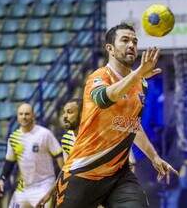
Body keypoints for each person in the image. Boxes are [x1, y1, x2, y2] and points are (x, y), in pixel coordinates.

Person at [55, 23, 178, 208]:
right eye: (125, 40)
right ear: (110, 48)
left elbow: (132, 124)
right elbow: (105, 99)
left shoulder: (141, 84)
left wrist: (154, 157)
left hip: (119, 175)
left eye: (135, 41)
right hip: (83, 172)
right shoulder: (98, 77)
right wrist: (137, 75)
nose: (131, 45)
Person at [0, 103, 64, 208]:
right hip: (23, 188)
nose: (24, 117)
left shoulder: (45, 134)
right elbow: (9, 163)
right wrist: (2, 179)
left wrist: (64, 179)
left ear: (33, 115)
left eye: (27, 114)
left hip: (44, 185)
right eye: (21, 114)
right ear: (17, 116)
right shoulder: (13, 138)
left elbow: (59, 156)